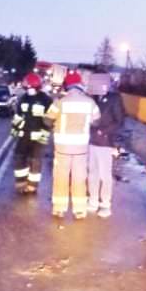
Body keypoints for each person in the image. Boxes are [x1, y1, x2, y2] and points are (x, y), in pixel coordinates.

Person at [45, 71, 100, 219]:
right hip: (81, 148)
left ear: (67, 85)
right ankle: (80, 210)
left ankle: (59, 208)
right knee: (79, 178)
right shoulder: (90, 102)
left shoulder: (60, 102)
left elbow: (47, 120)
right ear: (80, 85)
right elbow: (97, 122)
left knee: (60, 176)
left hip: (62, 148)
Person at [87, 79, 125, 218]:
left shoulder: (114, 98)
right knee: (93, 173)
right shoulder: (93, 98)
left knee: (105, 175)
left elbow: (119, 121)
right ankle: (93, 201)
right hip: (92, 141)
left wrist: (104, 131)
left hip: (105, 142)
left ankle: (105, 205)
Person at [11, 73, 53, 193]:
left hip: (38, 136)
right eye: (27, 87)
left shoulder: (46, 100)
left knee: (35, 160)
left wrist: (44, 134)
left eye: (31, 87)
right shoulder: (23, 98)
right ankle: (21, 182)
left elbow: (50, 119)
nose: (29, 89)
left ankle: (32, 185)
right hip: (24, 135)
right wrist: (14, 130)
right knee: (19, 157)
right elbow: (18, 116)